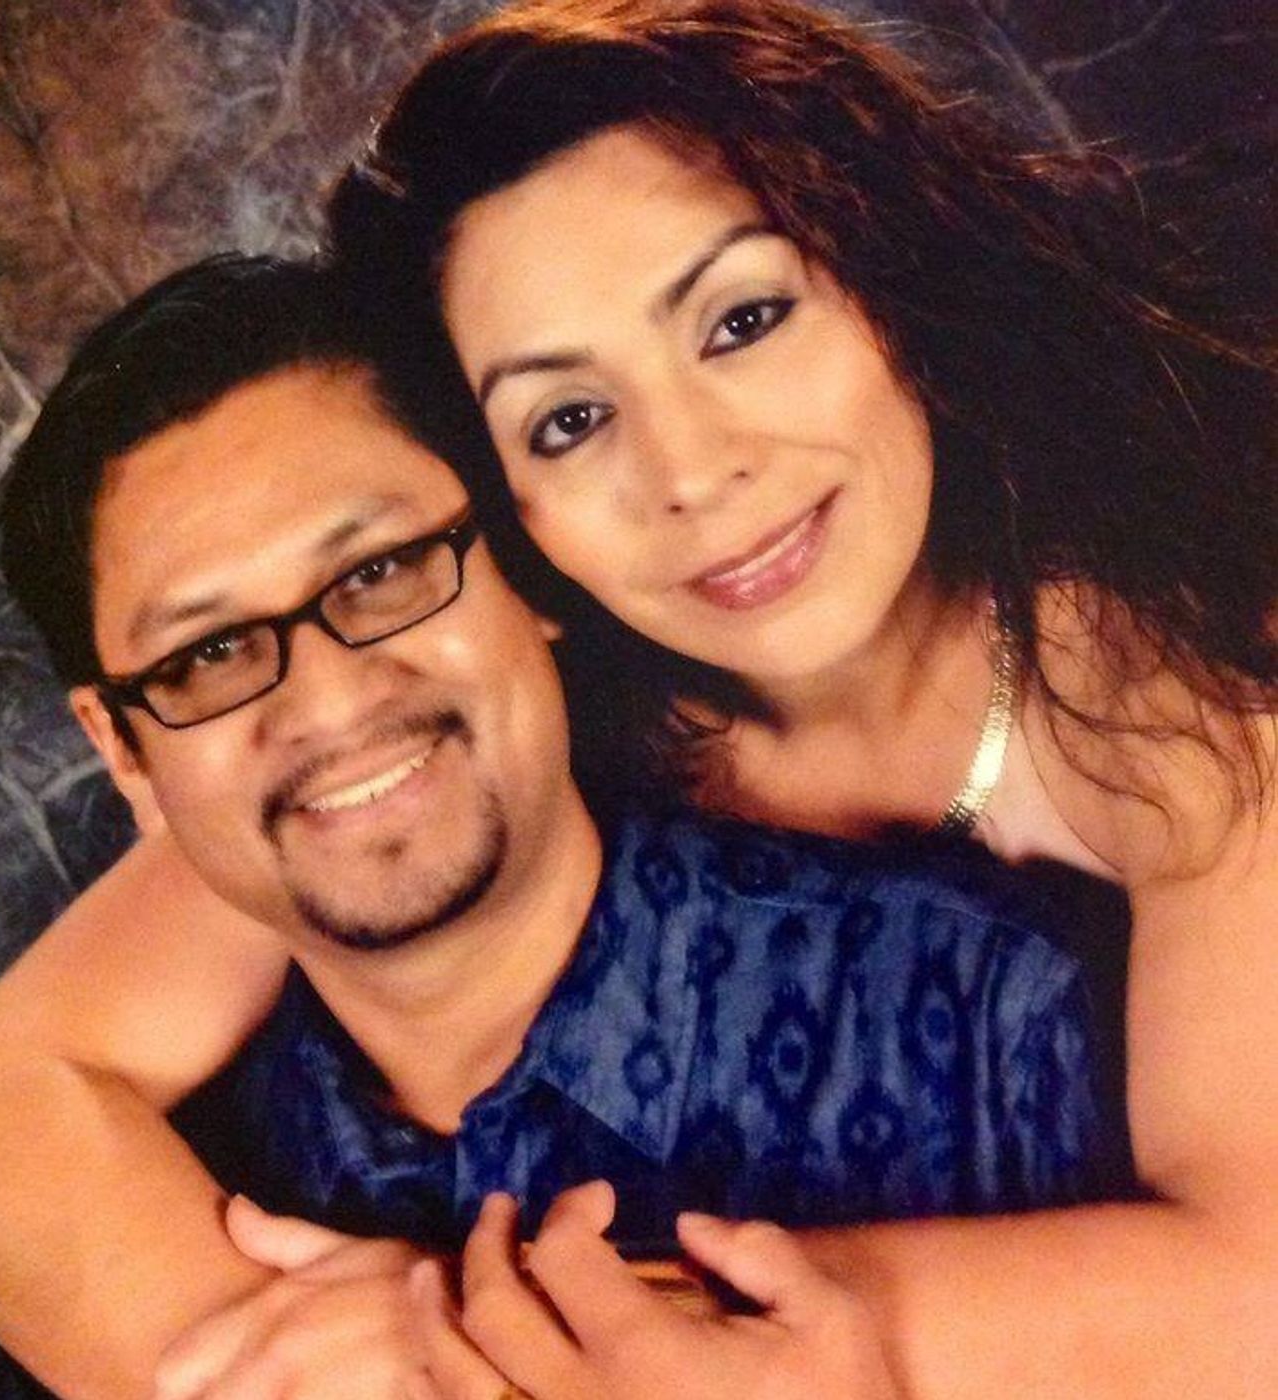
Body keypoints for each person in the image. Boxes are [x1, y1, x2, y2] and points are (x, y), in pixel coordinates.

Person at [0, 252, 1120, 1400]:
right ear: (122, 747)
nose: (330, 700)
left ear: (527, 579)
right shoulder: (150, 1198)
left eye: (380, 572)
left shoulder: (991, 1017)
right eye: (207, 653)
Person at [314, 0, 1275, 1394]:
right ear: (500, 501)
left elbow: (1259, 1292)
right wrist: (296, 1335)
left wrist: (674, 1330)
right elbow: (5, 1107)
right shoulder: (511, 695)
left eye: (743, 319)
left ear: (891, 283)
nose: (692, 471)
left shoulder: (1171, 684)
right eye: (568, 420)